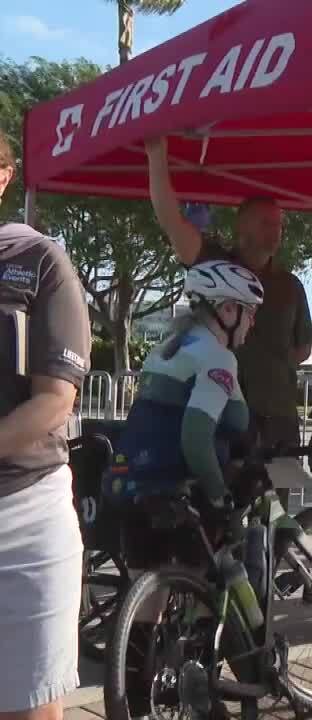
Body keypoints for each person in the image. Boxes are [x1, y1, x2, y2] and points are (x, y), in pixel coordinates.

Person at [108, 261, 263, 716]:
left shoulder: (168, 347)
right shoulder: (217, 357)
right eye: (250, 313)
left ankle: (135, 708)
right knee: (211, 597)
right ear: (228, 310)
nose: (252, 323)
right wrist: (218, 495)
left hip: (136, 490)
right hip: (181, 494)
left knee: (147, 614)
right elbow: (196, 435)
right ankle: (204, 699)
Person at [146, 137, 312, 468]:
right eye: (266, 223)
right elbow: (172, 222)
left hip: (278, 416)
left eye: (279, 224)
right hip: (220, 412)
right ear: (242, 226)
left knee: (277, 511)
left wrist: (271, 367)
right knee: (221, 503)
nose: (275, 231)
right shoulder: (215, 266)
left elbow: (303, 347)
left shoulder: (290, 285)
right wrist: (157, 156)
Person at [0, 131, 91, 720]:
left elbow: (56, 400)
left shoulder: (39, 260)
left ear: (3, 176)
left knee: (30, 707)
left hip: (26, 515)